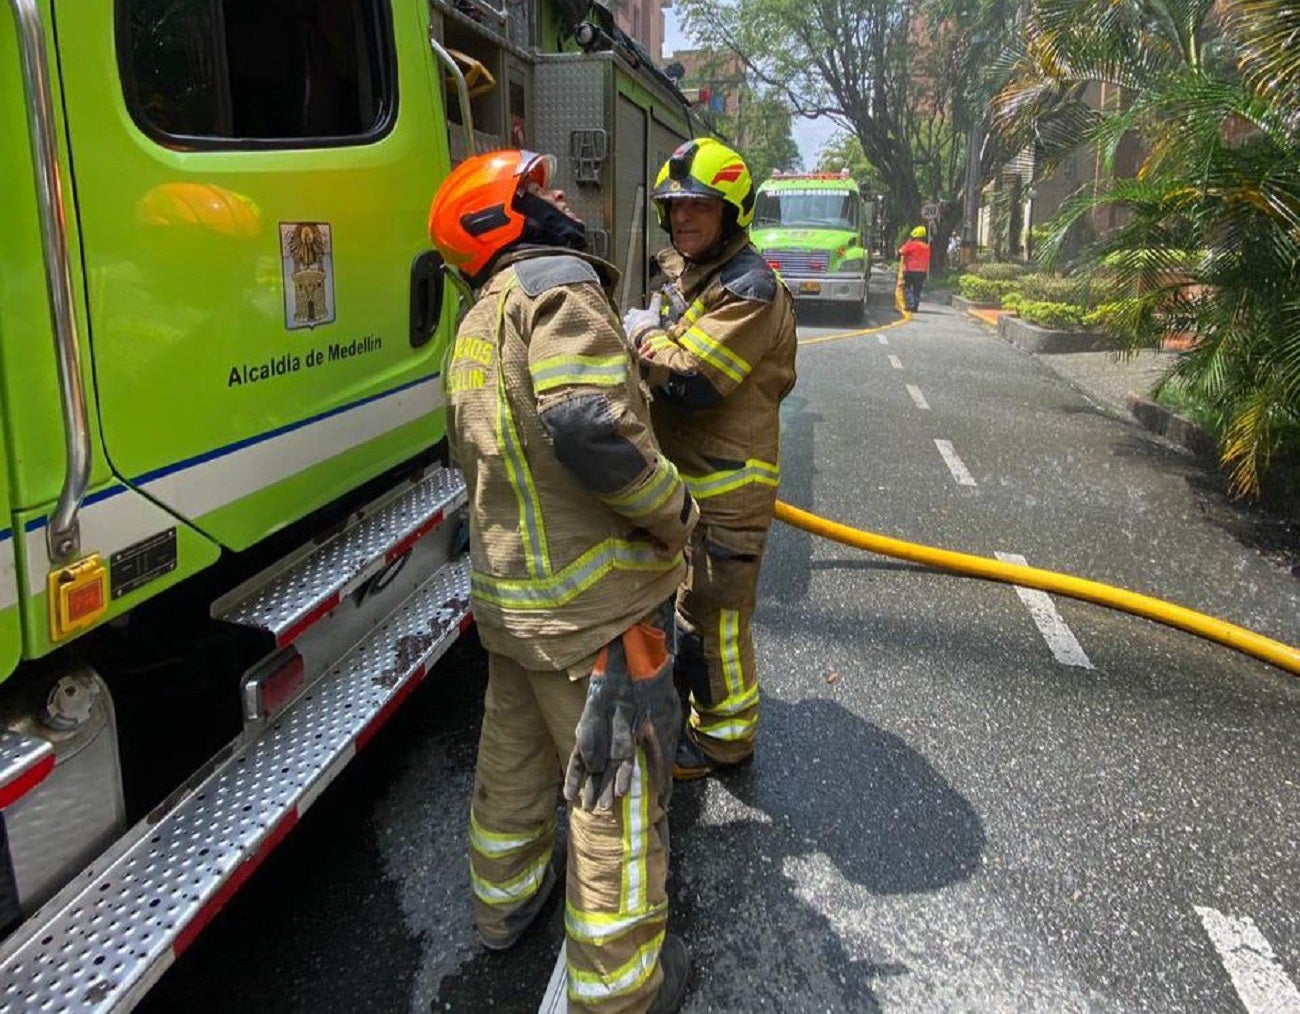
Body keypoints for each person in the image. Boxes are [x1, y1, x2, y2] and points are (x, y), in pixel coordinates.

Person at [428, 149, 698, 1014]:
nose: (560, 198)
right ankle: (620, 989)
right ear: (499, 218)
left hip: (513, 607)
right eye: (538, 190)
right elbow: (588, 430)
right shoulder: (557, 287)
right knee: (612, 795)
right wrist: (676, 513)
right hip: (595, 613)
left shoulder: (476, 321)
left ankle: (501, 907)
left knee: (511, 760)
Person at [622, 138, 797, 781]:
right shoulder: (691, 272)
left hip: (728, 491)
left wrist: (641, 333)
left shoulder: (749, 289)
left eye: (700, 205)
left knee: (717, 620)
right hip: (689, 482)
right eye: (676, 206)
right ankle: (703, 710)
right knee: (690, 611)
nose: (685, 218)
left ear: (731, 213)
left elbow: (693, 381)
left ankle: (725, 742)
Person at [897, 225, 931, 312]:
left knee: (906, 287)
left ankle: (911, 303)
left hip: (910, 270)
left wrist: (908, 242)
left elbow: (901, 251)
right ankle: (915, 306)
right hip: (922, 271)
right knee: (917, 289)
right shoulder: (926, 246)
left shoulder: (912, 245)